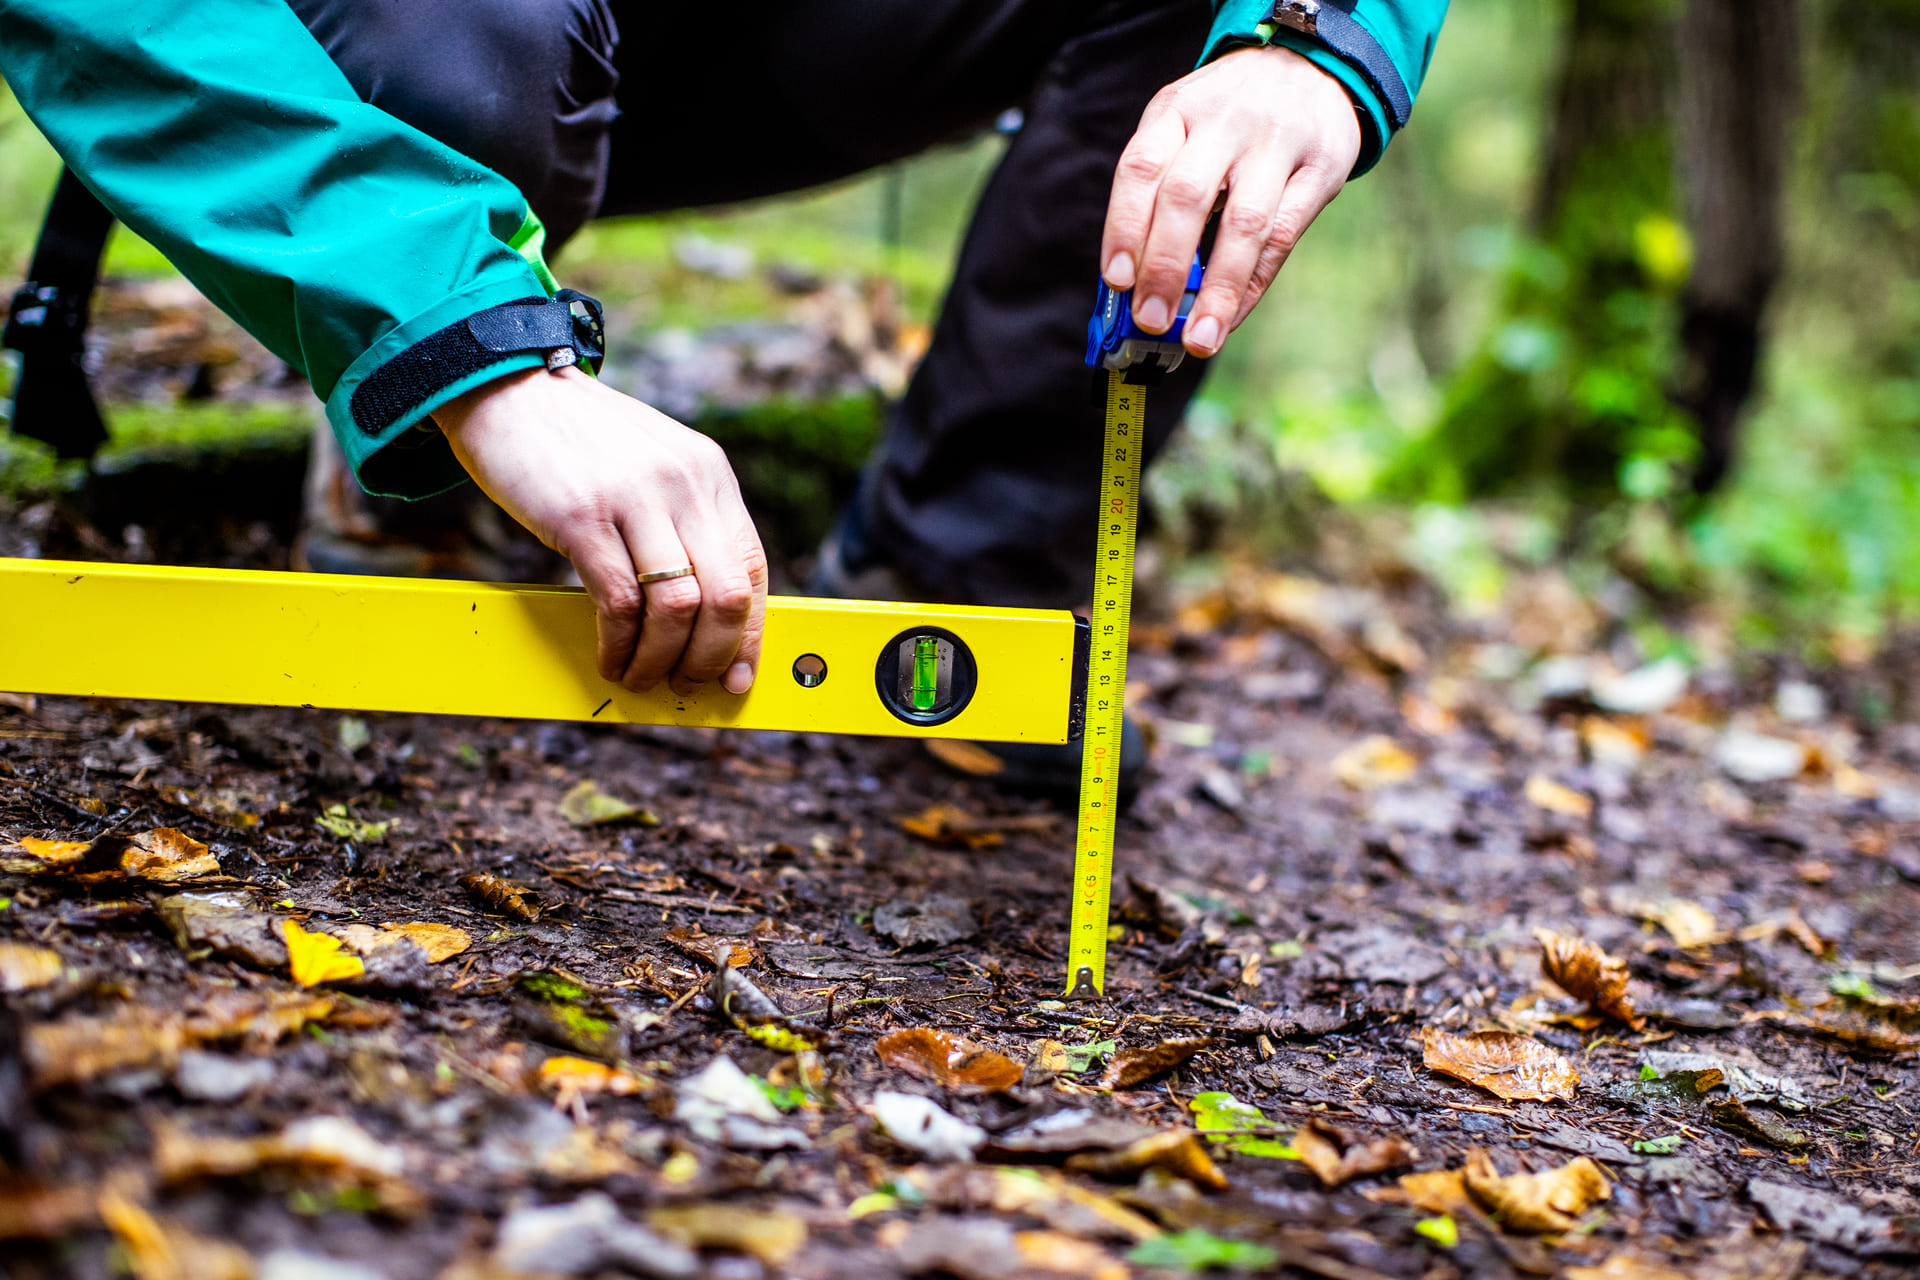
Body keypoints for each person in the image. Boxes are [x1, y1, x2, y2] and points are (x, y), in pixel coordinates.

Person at [1, 0, 1447, 788]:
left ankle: (956, 599)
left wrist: (1310, 39)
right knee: (472, 43)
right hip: (401, 49)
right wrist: (458, 349)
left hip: (758, 49)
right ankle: (413, 428)